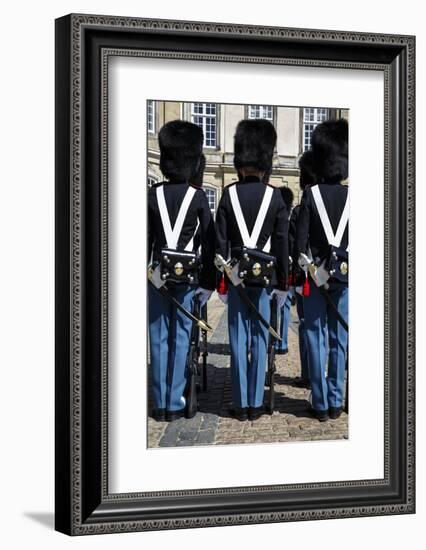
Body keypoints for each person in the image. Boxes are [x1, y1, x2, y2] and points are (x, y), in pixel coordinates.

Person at [215, 119, 289, 421]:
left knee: (237, 340)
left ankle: (241, 402)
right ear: (265, 159)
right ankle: (256, 403)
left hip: (235, 279)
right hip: (265, 281)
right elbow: (282, 245)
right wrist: (284, 283)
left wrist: (222, 281)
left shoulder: (228, 194)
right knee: (259, 339)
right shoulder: (276, 197)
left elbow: (219, 242)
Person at [148, 121, 216, 422]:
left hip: (158, 278)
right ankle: (175, 401)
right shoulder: (199, 197)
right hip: (187, 280)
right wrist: (207, 282)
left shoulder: (153, 194)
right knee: (179, 339)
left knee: (158, 338)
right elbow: (209, 242)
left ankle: (160, 402)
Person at [295, 119, 349, 422]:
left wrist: (311, 270)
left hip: (315, 278)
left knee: (315, 336)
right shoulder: (353, 196)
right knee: (338, 338)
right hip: (345, 277)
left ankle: (319, 402)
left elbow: (300, 244)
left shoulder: (310, 194)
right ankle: (335, 400)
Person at [290, 150, 316, 388]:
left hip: (308, 277)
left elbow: (296, 246)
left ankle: (309, 374)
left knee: (308, 326)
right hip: (339, 275)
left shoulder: (300, 210)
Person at [275, 186, 295, 355]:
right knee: (285, 307)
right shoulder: (290, 222)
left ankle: (273, 340)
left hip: (274, 268)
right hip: (287, 269)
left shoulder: (276, 220)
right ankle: (283, 343)